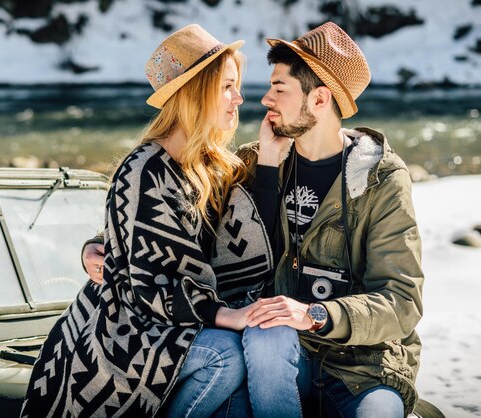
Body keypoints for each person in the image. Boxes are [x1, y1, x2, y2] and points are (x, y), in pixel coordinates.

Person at [84, 22, 425, 418]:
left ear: (319, 100)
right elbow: (171, 221)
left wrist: (315, 315)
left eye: (279, 89)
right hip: (273, 354)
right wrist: (99, 245)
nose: (263, 99)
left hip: (361, 370)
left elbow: (401, 302)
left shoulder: (379, 180)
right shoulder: (253, 161)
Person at [21, 24, 276, 418]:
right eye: (227, 87)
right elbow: (152, 279)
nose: (239, 98)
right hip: (125, 327)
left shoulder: (216, 167)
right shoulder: (143, 169)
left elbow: (232, 238)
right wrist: (225, 315)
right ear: (195, 92)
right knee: (226, 356)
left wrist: (273, 154)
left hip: (175, 319)